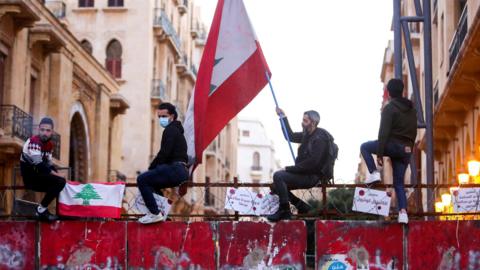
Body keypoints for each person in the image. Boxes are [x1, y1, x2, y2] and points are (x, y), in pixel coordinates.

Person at [360, 78, 417, 224]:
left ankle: (373, 173)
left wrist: (379, 153)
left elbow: (383, 132)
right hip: (406, 149)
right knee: (399, 183)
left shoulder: (389, 108)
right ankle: (403, 213)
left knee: (364, 147)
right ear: (402, 91)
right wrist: (409, 149)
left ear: (389, 93)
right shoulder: (411, 109)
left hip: (392, 145)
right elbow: (414, 131)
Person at [267, 108, 334, 222]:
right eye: (303, 120)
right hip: (304, 173)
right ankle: (302, 206)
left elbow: (313, 163)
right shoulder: (307, 135)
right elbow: (290, 136)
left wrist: (289, 168)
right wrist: (282, 117)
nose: (302, 123)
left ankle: (285, 211)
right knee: (275, 186)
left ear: (313, 123)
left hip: (312, 176)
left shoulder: (319, 138)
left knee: (279, 176)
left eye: (305, 121)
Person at [137, 102, 189, 224]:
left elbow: (164, 153)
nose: (161, 119)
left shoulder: (170, 130)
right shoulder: (178, 131)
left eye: (164, 116)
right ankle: (162, 212)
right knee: (153, 185)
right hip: (181, 171)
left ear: (172, 116)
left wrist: (152, 167)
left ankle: (154, 213)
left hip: (175, 169)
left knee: (142, 179)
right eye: (159, 117)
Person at [20, 117, 66, 221]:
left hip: (39, 176)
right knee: (59, 182)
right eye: (42, 130)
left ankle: (51, 211)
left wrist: (57, 173)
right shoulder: (34, 142)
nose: (44, 133)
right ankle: (41, 210)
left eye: (48, 130)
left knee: (61, 183)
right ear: (38, 130)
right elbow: (39, 165)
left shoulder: (49, 145)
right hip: (31, 179)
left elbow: (49, 164)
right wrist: (57, 175)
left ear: (52, 132)